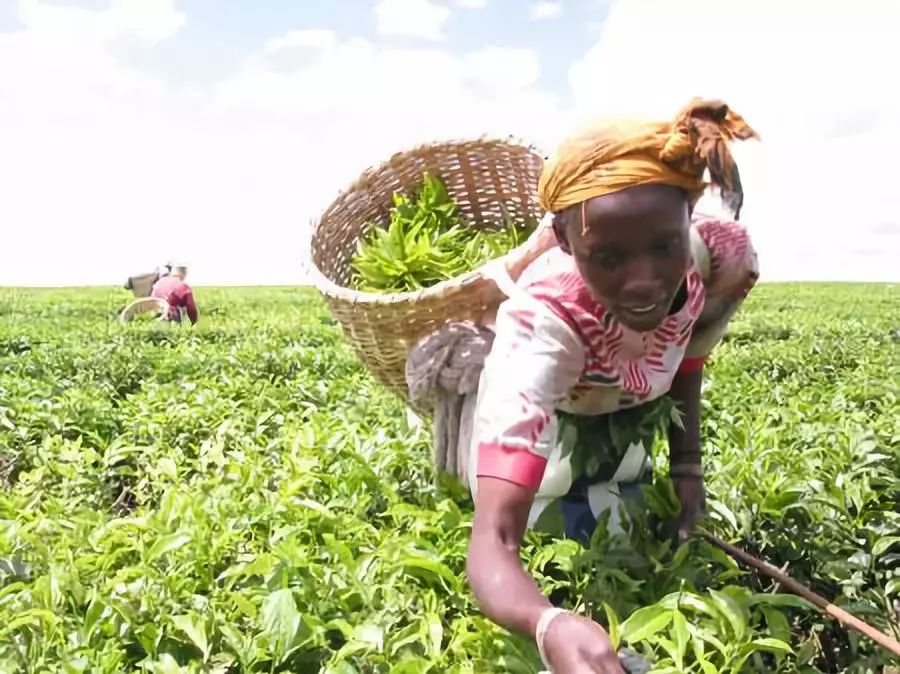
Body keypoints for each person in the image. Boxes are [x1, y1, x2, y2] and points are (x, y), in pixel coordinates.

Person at [460, 99, 761, 673]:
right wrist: (547, 624)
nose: (643, 282)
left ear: (688, 218)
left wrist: (687, 473)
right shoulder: (543, 323)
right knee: (561, 522)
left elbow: (687, 356)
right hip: (555, 409)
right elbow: (494, 541)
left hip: (624, 397)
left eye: (663, 247)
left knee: (630, 509)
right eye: (608, 258)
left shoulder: (718, 260)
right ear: (565, 241)